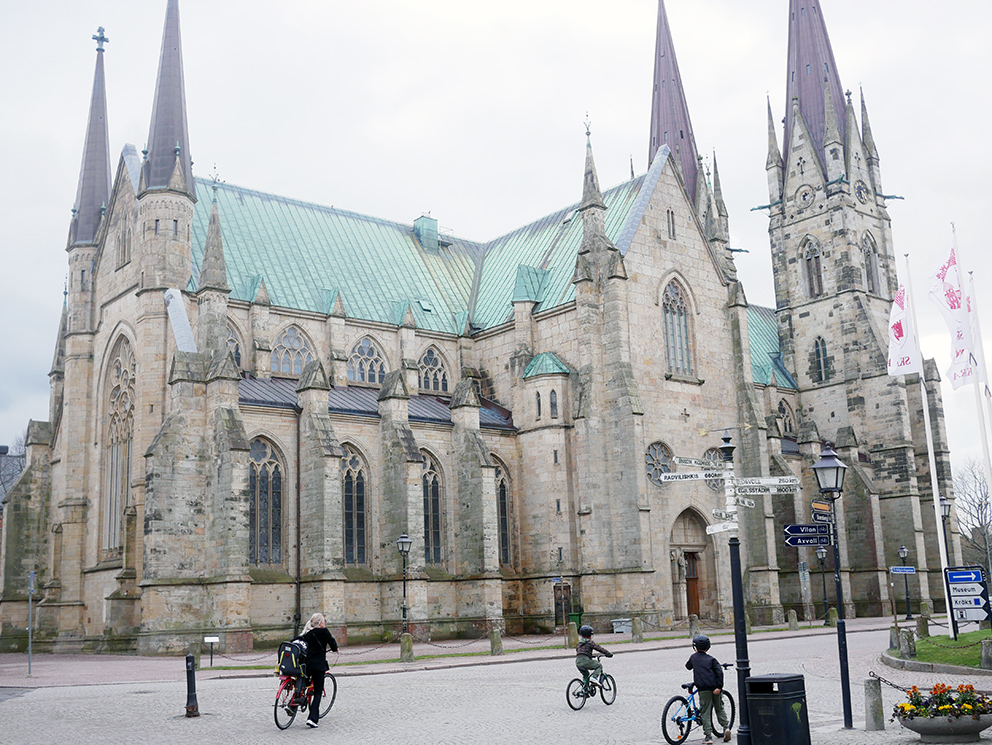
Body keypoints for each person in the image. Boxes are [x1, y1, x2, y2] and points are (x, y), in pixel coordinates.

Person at [685, 634, 731, 744]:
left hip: (703, 689)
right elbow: (719, 673)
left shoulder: (693, 657)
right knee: (719, 708)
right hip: (715, 688)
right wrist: (719, 687)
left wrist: (694, 658)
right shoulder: (712, 659)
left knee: (705, 712)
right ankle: (726, 728)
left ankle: (708, 737)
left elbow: (688, 666)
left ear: (695, 647)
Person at [295, 612, 338, 729]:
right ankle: (312, 718)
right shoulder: (323, 632)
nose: (325, 622)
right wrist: (335, 649)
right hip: (318, 666)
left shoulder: (307, 633)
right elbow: (332, 643)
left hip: (306, 665)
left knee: (303, 686)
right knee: (318, 692)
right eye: (324, 620)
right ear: (320, 623)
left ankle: (293, 705)